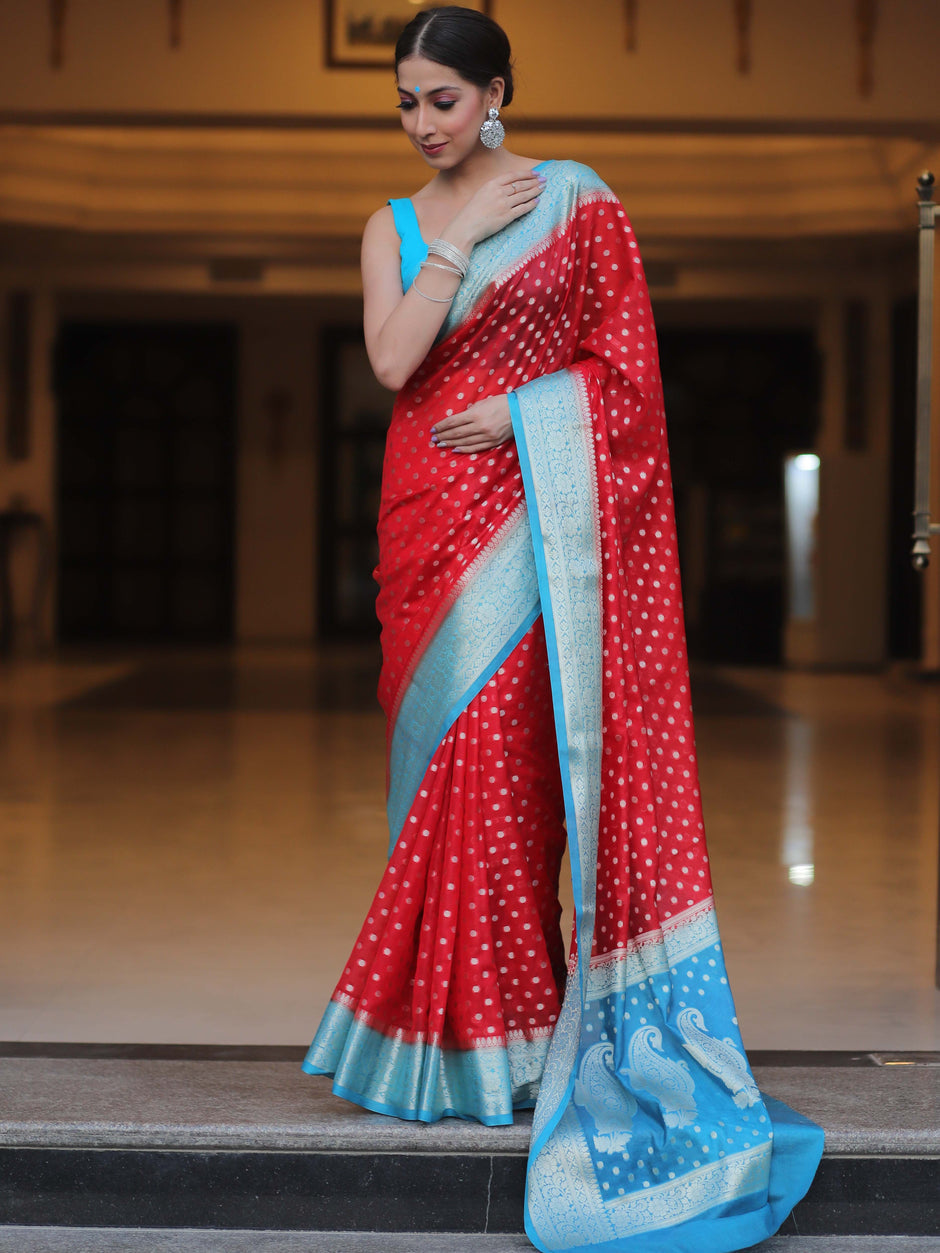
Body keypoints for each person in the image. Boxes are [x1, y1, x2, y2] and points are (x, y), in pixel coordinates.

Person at [302, 7, 824, 1250]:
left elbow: (626, 371)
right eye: (406, 103)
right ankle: (435, 1043)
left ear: (497, 93)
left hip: (538, 522)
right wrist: (461, 236)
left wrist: (529, 412)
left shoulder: (580, 199)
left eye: (443, 98)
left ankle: (524, 1034)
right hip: (430, 513)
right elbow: (389, 363)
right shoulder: (393, 224)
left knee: (515, 775)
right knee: (441, 773)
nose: (424, 123)